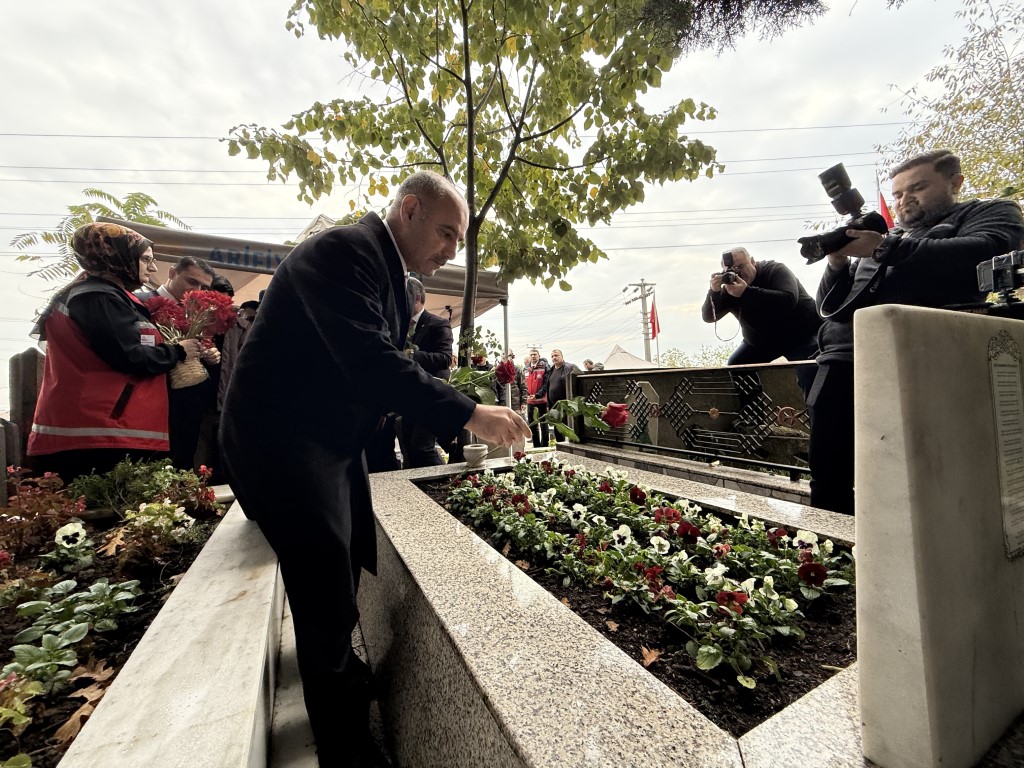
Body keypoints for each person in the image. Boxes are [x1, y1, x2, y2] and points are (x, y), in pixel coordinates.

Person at [219, 170, 530, 767]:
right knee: (323, 584)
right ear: (408, 210)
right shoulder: (343, 252)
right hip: (282, 444)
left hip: (326, 444)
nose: (450, 250)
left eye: (457, 240)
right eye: (445, 233)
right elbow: (371, 362)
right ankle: (345, 746)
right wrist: (470, 414)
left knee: (346, 559)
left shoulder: (384, 270)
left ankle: (340, 671)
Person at [809, 149, 1024, 514]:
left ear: (954, 182)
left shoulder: (987, 212)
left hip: (924, 357)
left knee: (916, 473)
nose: (904, 200)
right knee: (829, 475)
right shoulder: (886, 236)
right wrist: (837, 260)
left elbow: (986, 249)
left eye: (918, 188)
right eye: (897, 194)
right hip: (843, 360)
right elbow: (829, 304)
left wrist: (885, 248)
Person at [27, 222, 203, 482]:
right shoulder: (97, 297)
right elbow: (129, 356)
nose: (152, 268)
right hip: (98, 433)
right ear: (117, 256)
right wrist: (177, 352)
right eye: (145, 259)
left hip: (104, 429)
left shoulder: (103, 295)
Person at [701, 246, 821, 394]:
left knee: (810, 373)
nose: (738, 273)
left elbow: (788, 300)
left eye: (740, 266)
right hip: (761, 343)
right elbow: (709, 317)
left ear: (752, 261)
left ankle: (816, 414)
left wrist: (746, 293)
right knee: (737, 366)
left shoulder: (775, 270)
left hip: (802, 336)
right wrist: (714, 291)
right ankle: (752, 415)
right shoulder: (730, 288)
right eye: (731, 269)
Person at [139, 256, 221, 471]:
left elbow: (196, 350)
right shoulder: (140, 302)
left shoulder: (198, 312)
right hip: (148, 402)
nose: (198, 291)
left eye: (205, 287)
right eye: (192, 282)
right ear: (172, 273)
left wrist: (209, 355)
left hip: (188, 406)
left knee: (182, 466)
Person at [398, 276, 454, 467]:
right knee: (406, 443)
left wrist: (412, 355)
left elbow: (445, 358)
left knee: (421, 445)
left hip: (432, 391)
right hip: (408, 394)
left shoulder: (438, 324)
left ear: (416, 298)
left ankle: (448, 482)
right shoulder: (399, 325)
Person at [544, 349, 579, 441]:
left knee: (570, 429)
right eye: (552, 356)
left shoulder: (570, 367)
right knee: (558, 429)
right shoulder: (551, 370)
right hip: (555, 406)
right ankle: (560, 448)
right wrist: (549, 405)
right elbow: (548, 387)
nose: (554, 357)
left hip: (567, 406)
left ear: (562, 356)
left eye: (556, 355)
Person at [524, 348, 550, 447]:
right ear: (529, 356)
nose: (533, 356)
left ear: (539, 356)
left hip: (541, 401)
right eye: (531, 354)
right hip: (530, 402)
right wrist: (527, 395)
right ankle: (536, 446)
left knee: (544, 424)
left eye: (535, 354)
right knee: (533, 425)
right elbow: (524, 384)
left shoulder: (544, 367)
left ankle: (544, 446)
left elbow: (545, 384)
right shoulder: (526, 368)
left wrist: (537, 395)